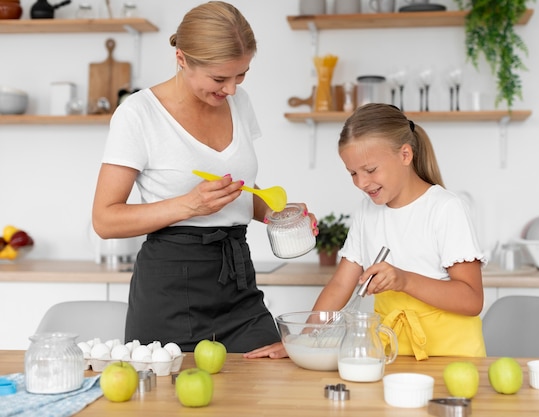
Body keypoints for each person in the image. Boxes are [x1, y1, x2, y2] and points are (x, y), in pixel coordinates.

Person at [92, 1, 316, 353]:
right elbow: (105, 219)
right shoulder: (138, 114)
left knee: (264, 392)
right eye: (219, 78)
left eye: (241, 75)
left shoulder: (239, 103)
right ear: (181, 59)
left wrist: (278, 213)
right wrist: (189, 205)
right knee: (165, 404)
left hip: (238, 283)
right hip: (169, 288)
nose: (231, 89)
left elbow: (238, 191)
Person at [245, 103, 486, 360]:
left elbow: (471, 300)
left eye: (370, 170)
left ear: (405, 155)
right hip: (392, 355)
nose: (361, 183)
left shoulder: (445, 208)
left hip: (453, 358)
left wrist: (404, 280)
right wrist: (304, 339)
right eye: (353, 173)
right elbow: (340, 285)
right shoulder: (367, 212)